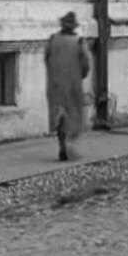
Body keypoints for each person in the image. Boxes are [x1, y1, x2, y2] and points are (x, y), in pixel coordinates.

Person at [45, 10, 90, 162]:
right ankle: (70, 147)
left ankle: (62, 146)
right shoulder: (79, 42)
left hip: (55, 85)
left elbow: (47, 58)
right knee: (74, 117)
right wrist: (81, 75)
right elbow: (86, 65)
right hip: (72, 86)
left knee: (59, 117)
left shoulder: (53, 40)